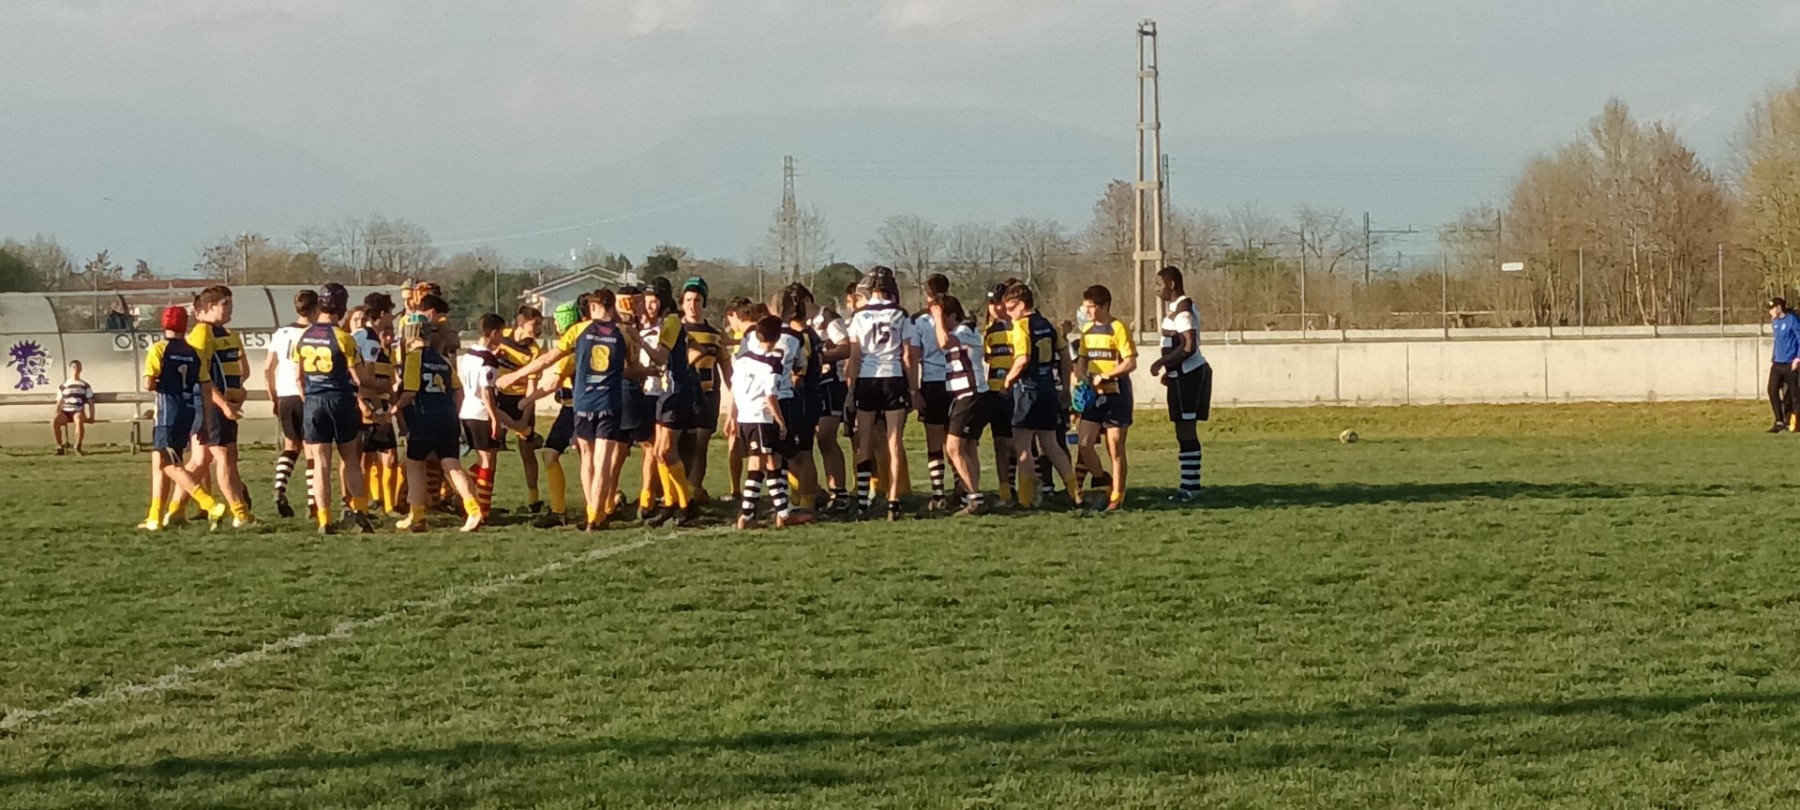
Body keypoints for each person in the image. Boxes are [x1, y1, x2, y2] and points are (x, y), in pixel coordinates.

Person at [499, 289, 642, 531]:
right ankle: (597, 516)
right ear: (612, 307)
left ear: (593, 307)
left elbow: (548, 360)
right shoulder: (624, 334)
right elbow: (633, 369)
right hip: (609, 403)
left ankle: (591, 511)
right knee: (603, 462)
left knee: (587, 458)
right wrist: (647, 371)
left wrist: (514, 376)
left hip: (583, 404)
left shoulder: (578, 331)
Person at [169, 285, 254, 528]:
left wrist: (238, 392)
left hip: (225, 406)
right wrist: (223, 403)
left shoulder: (228, 334)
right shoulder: (201, 333)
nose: (230, 308)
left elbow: (241, 370)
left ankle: (175, 512)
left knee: (201, 460)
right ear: (207, 308)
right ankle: (240, 514)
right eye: (224, 304)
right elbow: (201, 376)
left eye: (230, 303)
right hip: (210, 407)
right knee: (223, 455)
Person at [294, 282, 375, 534]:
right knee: (350, 458)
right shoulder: (343, 338)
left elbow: (298, 377)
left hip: (314, 401)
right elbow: (359, 379)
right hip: (340, 399)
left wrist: (309, 398)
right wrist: (382, 383)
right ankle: (360, 512)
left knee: (320, 464)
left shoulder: (303, 336)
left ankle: (324, 519)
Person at [391, 315, 483, 533]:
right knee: (452, 465)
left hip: (424, 418)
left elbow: (410, 392)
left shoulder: (414, 358)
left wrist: (394, 409)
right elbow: (459, 391)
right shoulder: (443, 360)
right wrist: (453, 414)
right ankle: (473, 509)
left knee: (415, 464)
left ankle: (417, 513)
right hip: (447, 418)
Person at [140, 306, 229, 531]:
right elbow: (205, 386)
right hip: (188, 413)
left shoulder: (159, 349)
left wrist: (157, 382)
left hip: (167, 414)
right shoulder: (193, 353)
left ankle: (210, 505)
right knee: (160, 463)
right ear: (184, 325)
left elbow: (149, 383)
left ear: (164, 323)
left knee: (168, 464)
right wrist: (207, 421)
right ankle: (154, 517)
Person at [845, 266, 919, 521]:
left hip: (867, 378)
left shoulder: (859, 315)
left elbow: (855, 356)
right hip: (893, 377)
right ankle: (893, 500)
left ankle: (862, 501)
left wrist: (851, 388)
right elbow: (908, 356)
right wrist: (913, 389)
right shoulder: (900, 314)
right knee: (894, 441)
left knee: (864, 439)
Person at [1000, 282, 1081, 508]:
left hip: (1027, 390)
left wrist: (1007, 381)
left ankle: (1026, 499)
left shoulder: (1020, 326)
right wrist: (1065, 388)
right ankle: (1075, 491)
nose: (1009, 313)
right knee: (1051, 444)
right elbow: (1065, 356)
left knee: (1023, 446)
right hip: (1048, 389)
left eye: (1011, 308)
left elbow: (1022, 358)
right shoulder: (1047, 325)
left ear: (1022, 304)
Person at [1149, 266, 1212, 501]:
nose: (1156, 289)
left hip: (1190, 376)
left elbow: (1188, 346)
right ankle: (1188, 486)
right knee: (1181, 430)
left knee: (1186, 430)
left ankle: (1191, 488)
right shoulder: (1176, 309)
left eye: (1159, 284)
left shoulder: (1183, 311)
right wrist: (1170, 370)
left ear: (1171, 284)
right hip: (1180, 375)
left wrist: (1162, 363)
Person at [1073, 285, 1137, 512]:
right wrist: (1081, 375)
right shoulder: (1087, 330)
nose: (1087, 311)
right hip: (1094, 395)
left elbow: (1130, 362)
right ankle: (1102, 479)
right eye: (1086, 307)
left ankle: (1117, 495)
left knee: (1115, 446)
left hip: (1116, 393)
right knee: (1084, 444)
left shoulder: (1118, 328)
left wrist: (1107, 375)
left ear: (1105, 306)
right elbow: (1082, 359)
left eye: (1091, 307)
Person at [732, 315, 797, 529]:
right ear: (777, 337)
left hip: (745, 417)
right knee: (765, 464)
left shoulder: (742, 359)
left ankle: (777, 513)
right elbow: (771, 397)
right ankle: (751, 515)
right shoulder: (772, 363)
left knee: (767, 462)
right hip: (761, 417)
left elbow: (734, 388)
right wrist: (781, 422)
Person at [929, 295, 991, 516]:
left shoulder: (964, 331)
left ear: (952, 315)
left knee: (953, 447)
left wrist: (938, 317)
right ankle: (973, 495)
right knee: (968, 448)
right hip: (969, 395)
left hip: (970, 395)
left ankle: (973, 496)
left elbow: (944, 343)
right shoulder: (962, 331)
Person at [460, 314, 524, 521]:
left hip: (467, 410)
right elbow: (487, 392)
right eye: (501, 332)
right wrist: (495, 419)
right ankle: (482, 509)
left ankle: (467, 493)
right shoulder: (489, 361)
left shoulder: (470, 353)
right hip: (481, 414)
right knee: (487, 462)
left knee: (485, 460)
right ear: (494, 332)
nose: (503, 337)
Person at [528, 300, 584, 528]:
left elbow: (552, 383)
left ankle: (603, 505)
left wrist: (527, 400)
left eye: (557, 321)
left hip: (579, 410)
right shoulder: (577, 344)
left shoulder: (569, 350)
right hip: (569, 409)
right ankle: (559, 510)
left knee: (589, 458)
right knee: (550, 453)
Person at [265, 290, 317, 518]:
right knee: (312, 449)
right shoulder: (315, 334)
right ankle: (313, 502)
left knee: (290, 446)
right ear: (316, 308)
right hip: (308, 394)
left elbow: (268, 368)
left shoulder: (281, 333)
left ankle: (279, 488)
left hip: (285, 395)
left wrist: (273, 397)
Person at [907, 274, 956, 511]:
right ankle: (962, 488)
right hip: (957, 381)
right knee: (957, 441)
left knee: (935, 442)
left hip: (933, 382)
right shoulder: (957, 313)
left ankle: (938, 494)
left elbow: (912, 357)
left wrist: (914, 390)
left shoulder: (919, 320)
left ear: (927, 294)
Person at [776, 283, 823, 520]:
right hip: (800, 397)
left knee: (802, 452)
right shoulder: (796, 334)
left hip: (802, 398)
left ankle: (808, 500)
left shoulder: (800, 336)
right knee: (790, 453)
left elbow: (799, 374)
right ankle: (799, 497)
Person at [494, 306, 547, 512]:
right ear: (521, 323)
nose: (539, 329)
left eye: (541, 324)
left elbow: (532, 388)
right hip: (499, 397)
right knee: (490, 449)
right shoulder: (503, 337)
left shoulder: (535, 351)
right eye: (535, 324)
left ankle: (533, 499)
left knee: (526, 451)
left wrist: (525, 417)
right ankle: (484, 498)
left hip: (520, 400)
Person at [679, 278, 728, 501]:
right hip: (680, 396)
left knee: (700, 446)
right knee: (678, 446)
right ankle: (676, 491)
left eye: (697, 300)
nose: (693, 305)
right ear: (682, 303)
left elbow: (727, 369)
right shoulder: (675, 331)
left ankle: (694, 489)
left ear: (704, 303)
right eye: (688, 300)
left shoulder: (715, 334)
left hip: (707, 396)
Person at [354, 293, 400, 516]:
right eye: (390, 312)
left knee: (377, 456)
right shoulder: (370, 339)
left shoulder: (358, 335)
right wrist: (377, 408)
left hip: (360, 401)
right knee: (364, 458)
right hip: (367, 406)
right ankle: (361, 506)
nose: (392, 318)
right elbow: (365, 380)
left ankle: (376, 505)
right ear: (382, 313)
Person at [810, 282, 853, 511]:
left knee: (826, 436)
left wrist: (822, 357)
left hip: (832, 383)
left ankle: (839, 491)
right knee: (812, 439)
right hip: (812, 385)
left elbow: (846, 347)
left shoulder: (828, 319)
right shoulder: (802, 324)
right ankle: (814, 491)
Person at [982, 282, 1018, 504]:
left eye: (998, 303)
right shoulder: (989, 331)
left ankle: (1022, 486)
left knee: (1017, 443)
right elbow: (987, 361)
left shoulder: (1018, 327)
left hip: (1016, 391)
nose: (995, 308)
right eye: (991, 303)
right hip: (995, 392)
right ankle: (1005, 489)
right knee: (1000, 443)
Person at [52, 360, 95, 455]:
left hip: (78, 410)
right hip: (65, 411)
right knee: (55, 420)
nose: (76, 369)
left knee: (78, 419)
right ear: (71, 369)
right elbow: (59, 401)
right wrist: (57, 412)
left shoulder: (85, 385)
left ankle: (77, 446)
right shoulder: (63, 386)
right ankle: (59, 446)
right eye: (74, 367)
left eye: (78, 367)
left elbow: (90, 402)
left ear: (81, 369)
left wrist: (91, 417)